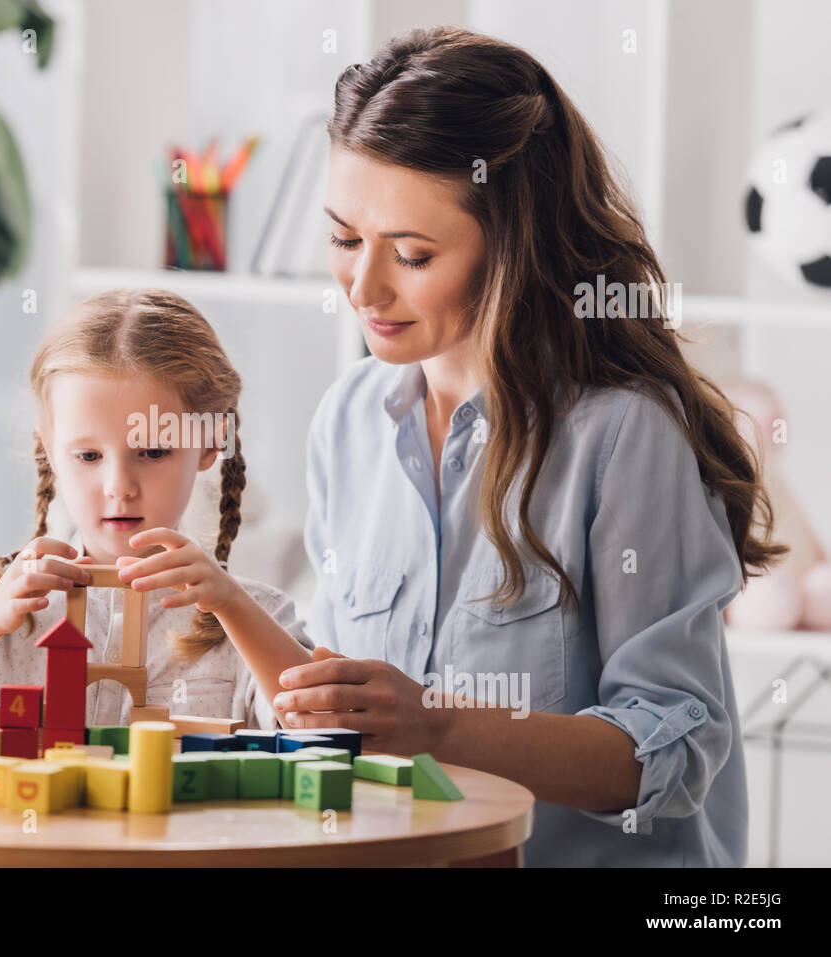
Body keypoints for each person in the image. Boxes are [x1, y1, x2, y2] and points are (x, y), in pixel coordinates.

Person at [273, 25, 785, 865]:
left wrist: (434, 723)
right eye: (342, 238)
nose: (363, 287)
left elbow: (671, 752)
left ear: (511, 244)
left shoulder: (621, 436)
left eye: (411, 253)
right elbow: (346, 717)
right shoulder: (347, 420)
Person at [0, 289, 314, 730]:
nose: (119, 487)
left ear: (209, 445)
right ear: (49, 450)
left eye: (153, 453)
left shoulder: (255, 615)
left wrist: (231, 604)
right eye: (89, 456)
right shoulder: (1, 602)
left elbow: (320, 724)